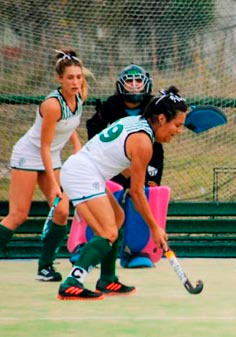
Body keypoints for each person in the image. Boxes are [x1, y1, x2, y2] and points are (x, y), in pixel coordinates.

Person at [57, 87, 187, 300]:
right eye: (178, 125)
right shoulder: (144, 142)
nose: (179, 131)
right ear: (162, 118)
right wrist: (155, 228)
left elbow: (119, 160)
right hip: (83, 174)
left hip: (88, 173)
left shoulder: (137, 123)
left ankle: (107, 279)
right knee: (108, 232)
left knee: (118, 218)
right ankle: (72, 282)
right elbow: (136, 192)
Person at [0, 49, 87, 282]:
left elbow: (69, 125)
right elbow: (44, 146)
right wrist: (56, 185)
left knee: (61, 210)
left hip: (52, 155)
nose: (76, 82)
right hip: (30, 155)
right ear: (60, 79)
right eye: (70, 77)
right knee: (18, 214)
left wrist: (77, 145)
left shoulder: (80, 96)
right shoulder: (52, 105)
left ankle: (45, 267)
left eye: (79, 77)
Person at [86, 64, 161, 188]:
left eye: (138, 80)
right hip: (116, 159)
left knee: (148, 192)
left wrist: (152, 176)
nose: (134, 84)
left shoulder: (153, 105)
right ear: (121, 84)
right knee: (112, 193)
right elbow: (94, 126)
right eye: (129, 81)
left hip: (148, 156)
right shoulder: (112, 104)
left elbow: (159, 141)